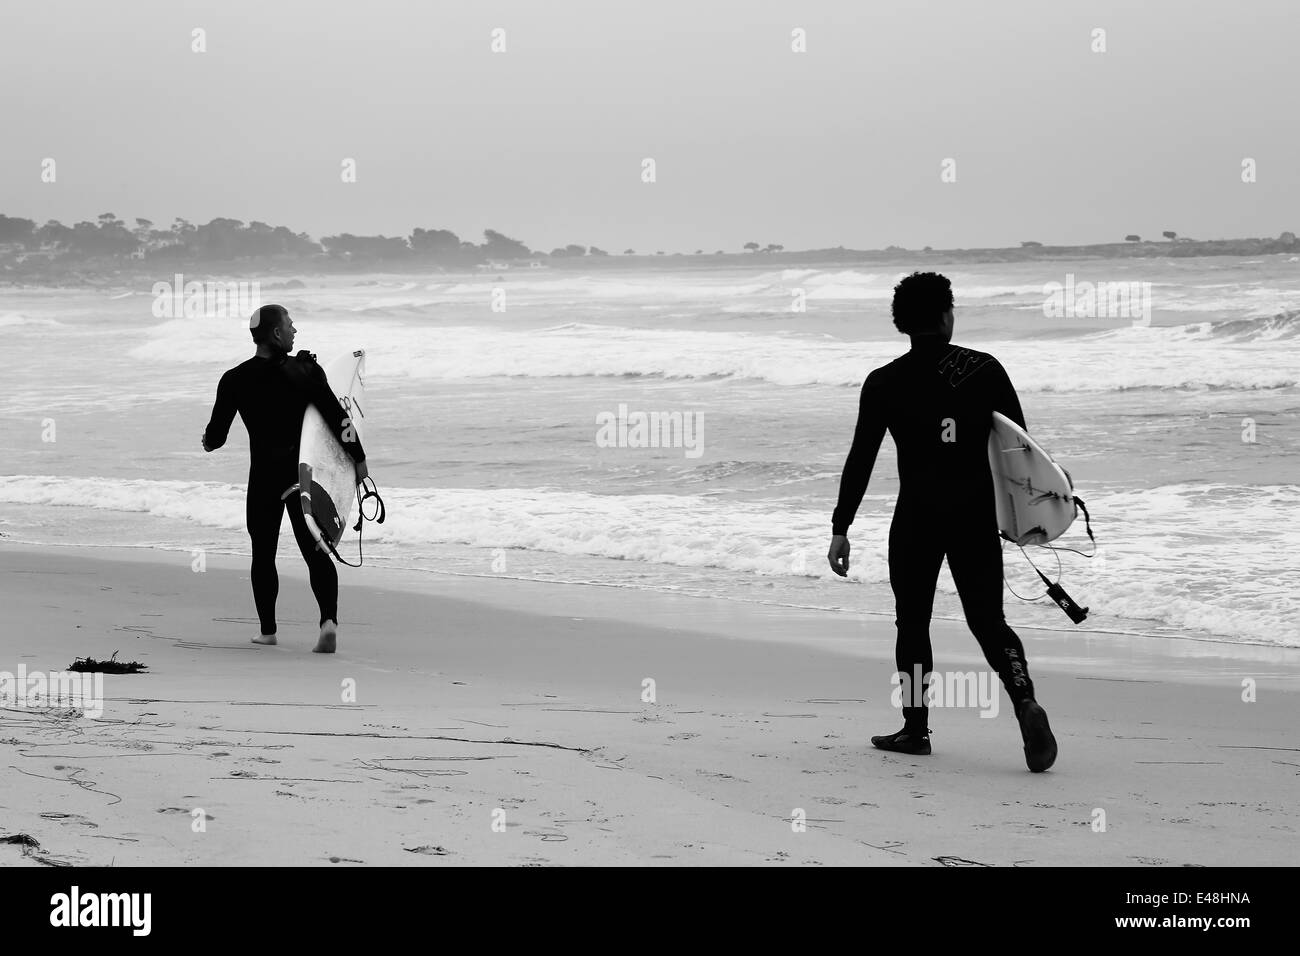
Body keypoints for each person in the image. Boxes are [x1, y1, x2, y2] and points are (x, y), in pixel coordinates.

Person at [827, 272, 1057, 772]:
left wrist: (840, 527)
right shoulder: (983, 368)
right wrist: (1022, 516)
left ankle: (915, 729)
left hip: (917, 518)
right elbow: (1019, 447)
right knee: (988, 621)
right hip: (973, 513)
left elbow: (861, 458)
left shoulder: (884, 382)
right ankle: (1024, 703)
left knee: (912, 623)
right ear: (947, 315)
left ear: (901, 323)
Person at [201, 304, 367, 654]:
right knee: (316, 549)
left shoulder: (235, 379)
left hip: (264, 478)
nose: (295, 331)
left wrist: (207, 441)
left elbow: (215, 438)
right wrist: (359, 460)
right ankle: (328, 623)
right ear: (276, 333)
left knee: (263, 553)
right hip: (303, 477)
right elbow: (338, 419)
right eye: (290, 325)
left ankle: (268, 631)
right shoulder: (305, 371)